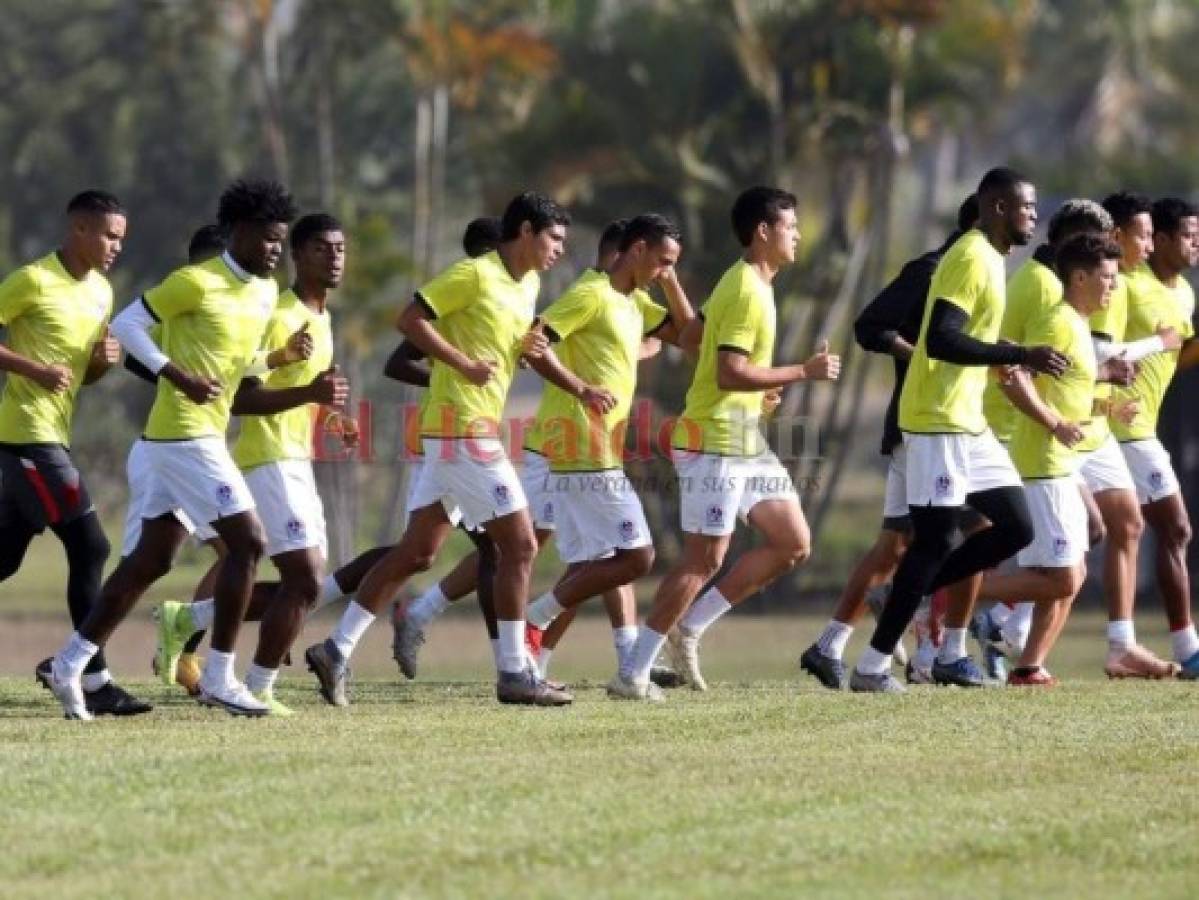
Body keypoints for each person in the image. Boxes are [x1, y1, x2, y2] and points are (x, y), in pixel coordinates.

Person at [304, 191, 575, 706]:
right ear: (524, 232)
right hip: (459, 430)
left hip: (459, 431)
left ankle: (336, 650)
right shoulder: (473, 274)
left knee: (418, 553)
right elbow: (409, 320)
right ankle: (516, 672)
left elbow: (502, 348)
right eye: (554, 238)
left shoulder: (530, 284)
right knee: (520, 546)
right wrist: (460, 363)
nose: (560, 248)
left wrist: (525, 351)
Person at [42, 179, 298, 720]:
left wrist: (274, 359)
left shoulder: (267, 292)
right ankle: (223, 678)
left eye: (282, 240)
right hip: (184, 434)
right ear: (239, 233)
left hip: (179, 440)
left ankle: (70, 663)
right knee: (248, 544)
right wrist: (177, 375)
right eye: (269, 239)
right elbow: (127, 325)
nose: (277, 249)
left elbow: (238, 365)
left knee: (149, 562)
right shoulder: (196, 282)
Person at [611, 186, 841, 701]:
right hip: (712, 439)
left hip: (743, 436)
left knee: (792, 542)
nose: (798, 235)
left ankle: (688, 628)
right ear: (763, 232)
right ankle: (633, 671)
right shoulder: (743, 288)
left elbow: (693, 341)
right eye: (791, 226)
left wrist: (762, 394)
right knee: (703, 559)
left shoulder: (753, 284)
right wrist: (802, 371)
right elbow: (729, 370)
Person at [849, 166, 1068, 693]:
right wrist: (1019, 352)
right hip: (936, 420)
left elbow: (959, 341)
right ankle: (872, 667)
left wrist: (1001, 363)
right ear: (997, 207)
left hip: (968, 423)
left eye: (1036, 207)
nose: (1033, 216)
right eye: (1026, 206)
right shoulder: (971, 256)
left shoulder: (992, 259)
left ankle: (916, 591)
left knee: (1016, 527)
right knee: (934, 542)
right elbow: (942, 339)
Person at [154, 213, 354, 715]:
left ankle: (192, 620)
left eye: (340, 249)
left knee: (304, 584)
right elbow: (242, 397)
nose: (334, 258)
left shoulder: (324, 318)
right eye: (322, 249)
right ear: (297, 255)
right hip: (265, 459)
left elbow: (308, 393)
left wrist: (333, 419)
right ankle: (253, 683)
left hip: (296, 459)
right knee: (305, 579)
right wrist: (308, 391)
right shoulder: (280, 313)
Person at [801, 194, 980, 689]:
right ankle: (942, 654)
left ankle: (831, 645)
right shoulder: (932, 271)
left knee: (896, 547)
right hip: (923, 426)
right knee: (974, 531)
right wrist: (917, 354)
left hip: (933, 425)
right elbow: (868, 325)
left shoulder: (970, 271)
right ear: (984, 219)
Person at [519, 214, 695, 685]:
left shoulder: (636, 301)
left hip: (595, 450)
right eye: (662, 261)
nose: (664, 272)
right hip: (580, 444)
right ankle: (533, 622)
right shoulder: (592, 293)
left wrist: (671, 279)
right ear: (636, 250)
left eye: (671, 265)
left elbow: (693, 337)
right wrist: (581, 388)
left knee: (596, 564)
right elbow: (534, 343)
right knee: (637, 557)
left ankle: (539, 652)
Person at [4, 190, 139, 717]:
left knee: (4, 557)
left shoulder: (102, 292)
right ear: (79, 230)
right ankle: (94, 677)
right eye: (109, 236)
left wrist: (105, 361)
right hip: (24, 436)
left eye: (121, 240)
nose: (115, 248)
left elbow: (85, 376)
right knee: (90, 545)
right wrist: (33, 369)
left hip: (54, 434)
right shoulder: (33, 280)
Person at [978, 234, 1129, 684]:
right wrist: (1052, 423)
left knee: (1072, 573)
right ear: (1078, 277)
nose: (1113, 287)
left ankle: (1028, 667)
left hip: (1061, 464)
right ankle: (946, 592)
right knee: (1063, 578)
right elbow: (1010, 375)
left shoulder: (1078, 324)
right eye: (1106, 278)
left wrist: (1102, 405)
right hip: (1042, 465)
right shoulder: (1058, 321)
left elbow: (1067, 390)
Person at [1107, 196, 1199, 677]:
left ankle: (992, 618)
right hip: (1114, 425)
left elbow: (1173, 358)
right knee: (1174, 528)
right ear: (1159, 239)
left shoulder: (1184, 293)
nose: (1196, 244)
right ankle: (1187, 651)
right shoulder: (1126, 284)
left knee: (1103, 534)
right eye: (1188, 235)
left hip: (1141, 428)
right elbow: (1099, 349)